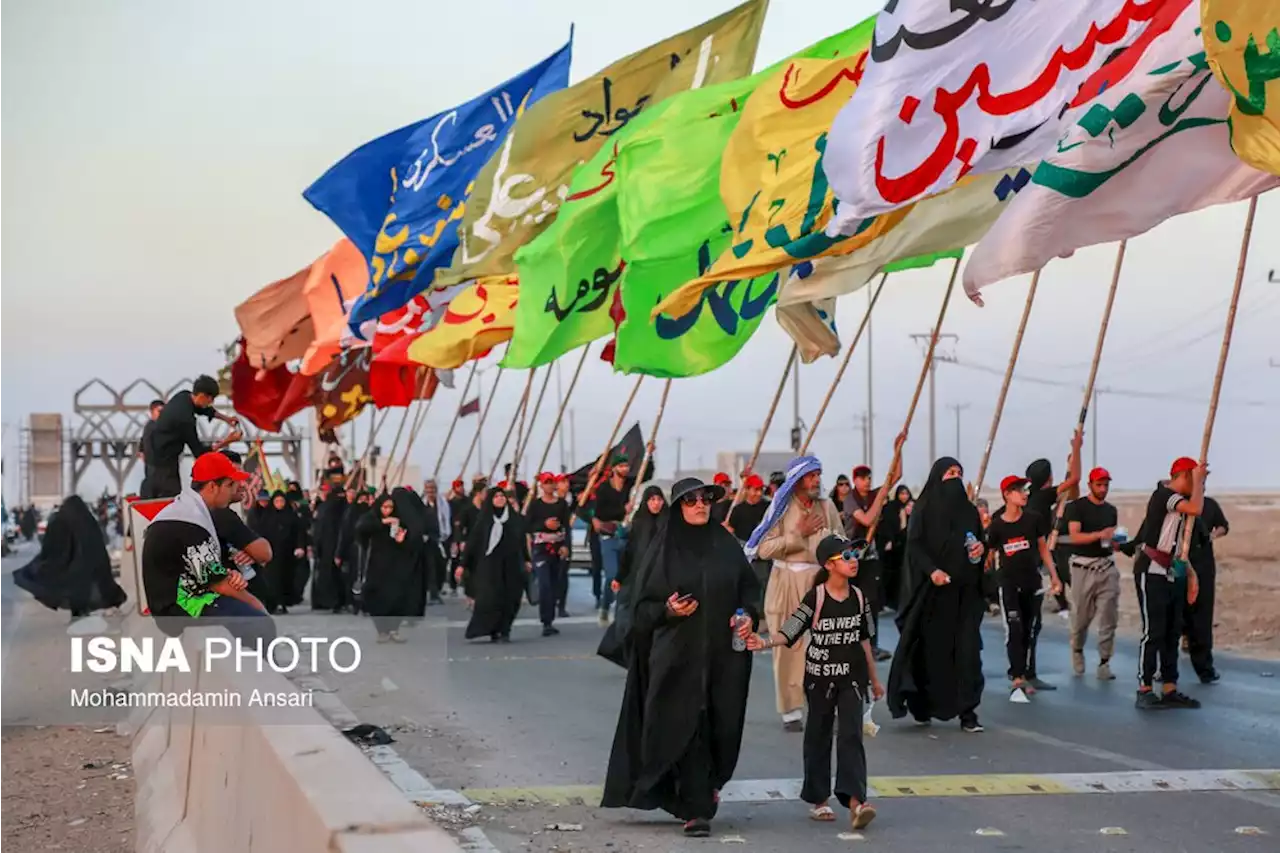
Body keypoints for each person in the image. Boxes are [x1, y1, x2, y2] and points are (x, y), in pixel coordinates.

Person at [601, 478, 760, 838]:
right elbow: (641, 611)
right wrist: (669, 610)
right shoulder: (662, 552)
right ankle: (695, 807)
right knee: (686, 725)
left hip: (722, 658)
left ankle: (704, 788)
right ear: (678, 509)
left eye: (704, 499)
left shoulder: (725, 545)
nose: (700, 505)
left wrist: (747, 613)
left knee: (720, 722)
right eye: (690, 501)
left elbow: (749, 589)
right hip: (676, 659)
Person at [746, 534, 882, 830]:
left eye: (855, 555)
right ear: (829, 565)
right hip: (819, 680)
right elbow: (791, 630)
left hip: (852, 680)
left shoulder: (860, 598)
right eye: (846, 557)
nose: (854, 561)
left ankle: (857, 801)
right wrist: (764, 642)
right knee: (818, 737)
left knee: (851, 737)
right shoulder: (816, 597)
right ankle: (819, 800)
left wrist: (874, 679)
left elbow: (864, 641)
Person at [886, 457, 987, 732]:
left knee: (967, 653)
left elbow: (978, 542)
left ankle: (968, 712)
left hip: (963, 594)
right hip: (932, 594)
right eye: (949, 473)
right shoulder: (924, 508)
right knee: (928, 653)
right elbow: (915, 546)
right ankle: (922, 705)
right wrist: (932, 571)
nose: (955, 477)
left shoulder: (969, 511)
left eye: (959, 473)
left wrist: (980, 550)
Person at [746, 456, 843, 732]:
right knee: (790, 647)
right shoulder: (780, 508)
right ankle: (791, 710)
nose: (816, 481)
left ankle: (828, 703)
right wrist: (797, 535)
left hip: (821, 581)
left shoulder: (827, 506)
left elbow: (841, 538)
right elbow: (763, 548)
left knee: (827, 646)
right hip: (786, 582)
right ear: (798, 479)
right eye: (811, 476)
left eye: (818, 475)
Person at [141, 453, 274, 645]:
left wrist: (228, 575)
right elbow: (218, 584)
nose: (235, 489)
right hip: (179, 608)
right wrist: (259, 607)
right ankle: (263, 674)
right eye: (229, 485)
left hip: (183, 598)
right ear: (213, 486)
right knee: (259, 624)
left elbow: (206, 572)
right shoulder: (189, 521)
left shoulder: (186, 511)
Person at [1132, 457, 1206, 710]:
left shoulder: (1178, 504)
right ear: (1183, 476)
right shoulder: (1164, 495)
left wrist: (1191, 575)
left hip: (1171, 571)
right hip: (1151, 570)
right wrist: (1199, 482)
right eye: (1192, 478)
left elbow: (1179, 547)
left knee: (1173, 631)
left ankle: (1169, 687)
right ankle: (1144, 688)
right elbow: (1196, 508)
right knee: (1154, 631)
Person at [987, 475, 1062, 703]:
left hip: (1032, 583)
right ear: (1007, 495)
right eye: (1019, 490)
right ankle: (1017, 677)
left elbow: (1043, 549)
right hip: (1009, 585)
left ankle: (1028, 673)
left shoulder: (1033, 519)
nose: (1025, 493)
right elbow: (989, 556)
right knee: (1014, 628)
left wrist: (1055, 578)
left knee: (1030, 630)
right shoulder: (997, 524)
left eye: (1025, 489)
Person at [14, 495, 126, 632]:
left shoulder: (61, 520)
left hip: (70, 566)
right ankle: (82, 614)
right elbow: (98, 543)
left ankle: (78, 615)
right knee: (86, 590)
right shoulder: (87, 520)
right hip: (88, 565)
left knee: (74, 592)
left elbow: (53, 544)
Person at [841, 444, 905, 663]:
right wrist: (879, 501)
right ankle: (851, 644)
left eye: (868, 477)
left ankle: (872, 645)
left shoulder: (875, 494)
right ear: (855, 480)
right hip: (851, 558)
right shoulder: (850, 499)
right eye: (862, 478)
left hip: (870, 558)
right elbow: (867, 520)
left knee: (871, 602)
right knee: (852, 602)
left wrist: (898, 449)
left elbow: (896, 475)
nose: (866, 481)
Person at [597, 484, 667, 667]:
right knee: (626, 619)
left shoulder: (668, 524)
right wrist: (619, 578)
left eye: (659, 499)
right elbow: (629, 552)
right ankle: (627, 654)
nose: (656, 503)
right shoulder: (639, 522)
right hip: (635, 578)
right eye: (652, 499)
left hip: (659, 580)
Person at [1064, 467, 1122, 681]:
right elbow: (1075, 537)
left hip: (1106, 567)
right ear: (1090, 485)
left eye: (1106, 485)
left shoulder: (1110, 510)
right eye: (1099, 485)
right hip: (1082, 568)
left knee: (1109, 615)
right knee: (1081, 617)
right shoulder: (1077, 507)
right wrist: (1100, 534)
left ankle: (1104, 661)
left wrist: (1114, 542)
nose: (1103, 489)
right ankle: (1077, 648)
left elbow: (1107, 541)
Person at [145, 375, 243, 499]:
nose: (211, 403)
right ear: (202, 396)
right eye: (210, 399)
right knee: (171, 500)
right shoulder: (185, 420)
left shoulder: (183, 396)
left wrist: (226, 419)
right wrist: (227, 440)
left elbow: (203, 409)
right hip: (163, 466)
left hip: (155, 459)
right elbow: (199, 452)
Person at [1025, 430, 1082, 617]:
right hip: (1040, 546)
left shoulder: (1031, 496)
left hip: (1034, 545)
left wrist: (1071, 461)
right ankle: (1065, 604)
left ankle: (1063, 603)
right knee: (1059, 571)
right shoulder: (1044, 495)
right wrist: (1077, 449)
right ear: (1047, 478)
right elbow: (1074, 480)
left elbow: (1069, 492)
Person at [462, 487, 529, 642]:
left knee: (511, 598)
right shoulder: (484, 520)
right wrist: (463, 564)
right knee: (491, 598)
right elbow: (473, 543)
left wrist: (526, 559)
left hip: (511, 565)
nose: (500, 499)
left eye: (502, 496)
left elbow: (521, 541)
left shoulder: (514, 519)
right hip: (490, 566)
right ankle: (492, 629)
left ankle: (505, 629)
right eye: (496, 496)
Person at [357, 491, 424, 643]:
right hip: (377, 564)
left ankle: (394, 629)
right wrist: (382, 523)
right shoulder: (371, 518)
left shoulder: (400, 520)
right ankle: (382, 630)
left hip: (396, 564)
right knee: (377, 597)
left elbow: (410, 540)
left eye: (390, 507)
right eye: (384, 507)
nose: (387, 510)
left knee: (397, 596)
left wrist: (402, 539)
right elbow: (361, 529)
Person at [1184, 494, 1228, 684]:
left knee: (1203, 617)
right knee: (1173, 616)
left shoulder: (1210, 504)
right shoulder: (1179, 504)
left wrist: (1213, 534)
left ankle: (1205, 669)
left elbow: (1223, 526)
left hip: (1203, 567)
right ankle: (1164, 670)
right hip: (1179, 567)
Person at [527, 473, 572, 636]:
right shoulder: (535, 505)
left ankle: (551, 619)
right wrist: (544, 524)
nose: (549, 486)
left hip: (558, 547)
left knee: (554, 584)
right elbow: (528, 526)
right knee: (544, 584)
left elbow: (567, 526)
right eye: (546, 483)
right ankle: (545, 620)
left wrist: (566, 546)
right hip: (541, 548)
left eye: (551, 483)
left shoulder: (562, 505)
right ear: (541, 486)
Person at [593, 453, 633, 627]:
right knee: (611, 575)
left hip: (626, 535)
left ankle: (620, 614)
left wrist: (650, 454)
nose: (625, 469)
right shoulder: (604, 489)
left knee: (625, 577)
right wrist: (622, 510)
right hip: (608, 536)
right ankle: (604, 606)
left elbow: (647, 472)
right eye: (621, 466)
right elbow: (601, 513)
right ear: (614, 468)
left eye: (627, 466)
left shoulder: (630, 485)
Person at [251, 491, 306, 615]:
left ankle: (283, 603)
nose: (280, 504)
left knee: (285, 579)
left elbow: (299, 533)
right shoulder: (267, 516)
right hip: (271, 554)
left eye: (282, 501)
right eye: (277, 501)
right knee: (271, 579)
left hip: (287, 554)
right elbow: (260, 534)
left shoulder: (292, 516)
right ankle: (272, 604)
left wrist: (300, 547)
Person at [727, 474, 771, 612]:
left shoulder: (767, 507)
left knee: (763, 584)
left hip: (763, 554)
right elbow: (731, 530)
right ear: (747, 490)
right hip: (744, 553)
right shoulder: (738, 510)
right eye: (755, 490)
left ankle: (762, 615)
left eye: (760, 490)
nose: (758, 493)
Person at [310, 472, 350, 613]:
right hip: (328, 547)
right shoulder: (326, 508)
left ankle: (338, 601)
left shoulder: (331, 507)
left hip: (336, 547)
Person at [878, 485, 913, 612]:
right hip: (892, 548)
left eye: (906, 493)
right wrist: (890, 540)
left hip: (906, 548)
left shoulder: (911, 508)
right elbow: (887, 526)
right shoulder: (892, 508)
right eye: (901, 494)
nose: (904, 497)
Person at [422, 480, 451, 606]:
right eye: (428, 489)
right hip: (427, 540)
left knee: (441, 566)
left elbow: (446, 520)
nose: (430, 492)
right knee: (431, 567)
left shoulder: (443, 504)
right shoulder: (422, 504)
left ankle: (438, 589)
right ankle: (433, 593)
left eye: (432, 489)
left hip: (441, 538)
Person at [553, 473, 575, 617]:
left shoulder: (572, 500)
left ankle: (562, 605)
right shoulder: (552, 500)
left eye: (567, 482)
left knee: (563, 574)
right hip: (551, 541)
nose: (566, 484)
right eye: (562, 482)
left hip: (565, 539)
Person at [447, 479, 469, 597]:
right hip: (455, 535)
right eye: (458, 487)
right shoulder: (451, 503)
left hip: (466, 534)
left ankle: (466, 584)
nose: (461, 489)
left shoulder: (467, 501)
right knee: (454, 559)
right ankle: (453, 585)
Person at [138, 399, 164, 499]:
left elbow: (143, 440)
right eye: (159, 411)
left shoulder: (151, 426)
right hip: (153, 465)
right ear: (152, 412)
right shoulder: (152, 427)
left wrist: (141, 450)